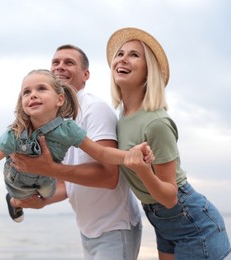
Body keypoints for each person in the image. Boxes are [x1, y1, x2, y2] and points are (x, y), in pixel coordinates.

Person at [0, 69, 153, 224]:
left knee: (43, 196)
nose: (32, 95)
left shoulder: (68, 129)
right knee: (24, 199)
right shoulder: (16, 134)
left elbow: (102, 152)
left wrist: (131, 154)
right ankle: (15, 202)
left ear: (59, 99)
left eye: (41, 89)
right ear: (21, 102)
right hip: (18, 181)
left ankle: (19, 204)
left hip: (46, 181)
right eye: (26, 92)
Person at [106, 27, 231, 260]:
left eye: (134, 54)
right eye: (120, 53)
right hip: (162, 221)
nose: (123, 58)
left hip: (193, 224)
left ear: (148, 72)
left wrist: (143, 171)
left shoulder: (156, 122)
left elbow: (170, 196)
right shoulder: (122, 117)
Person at [10, 45, 143, 260]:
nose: (60, 67)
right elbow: (69, 183)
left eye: (69, 62)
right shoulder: (58, 120)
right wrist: (43, 201)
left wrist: (50, 168)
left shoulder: (94, 109)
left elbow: (109, 176)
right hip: (89, 231)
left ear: (85, 75)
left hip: (115, 227)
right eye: (55, 62)